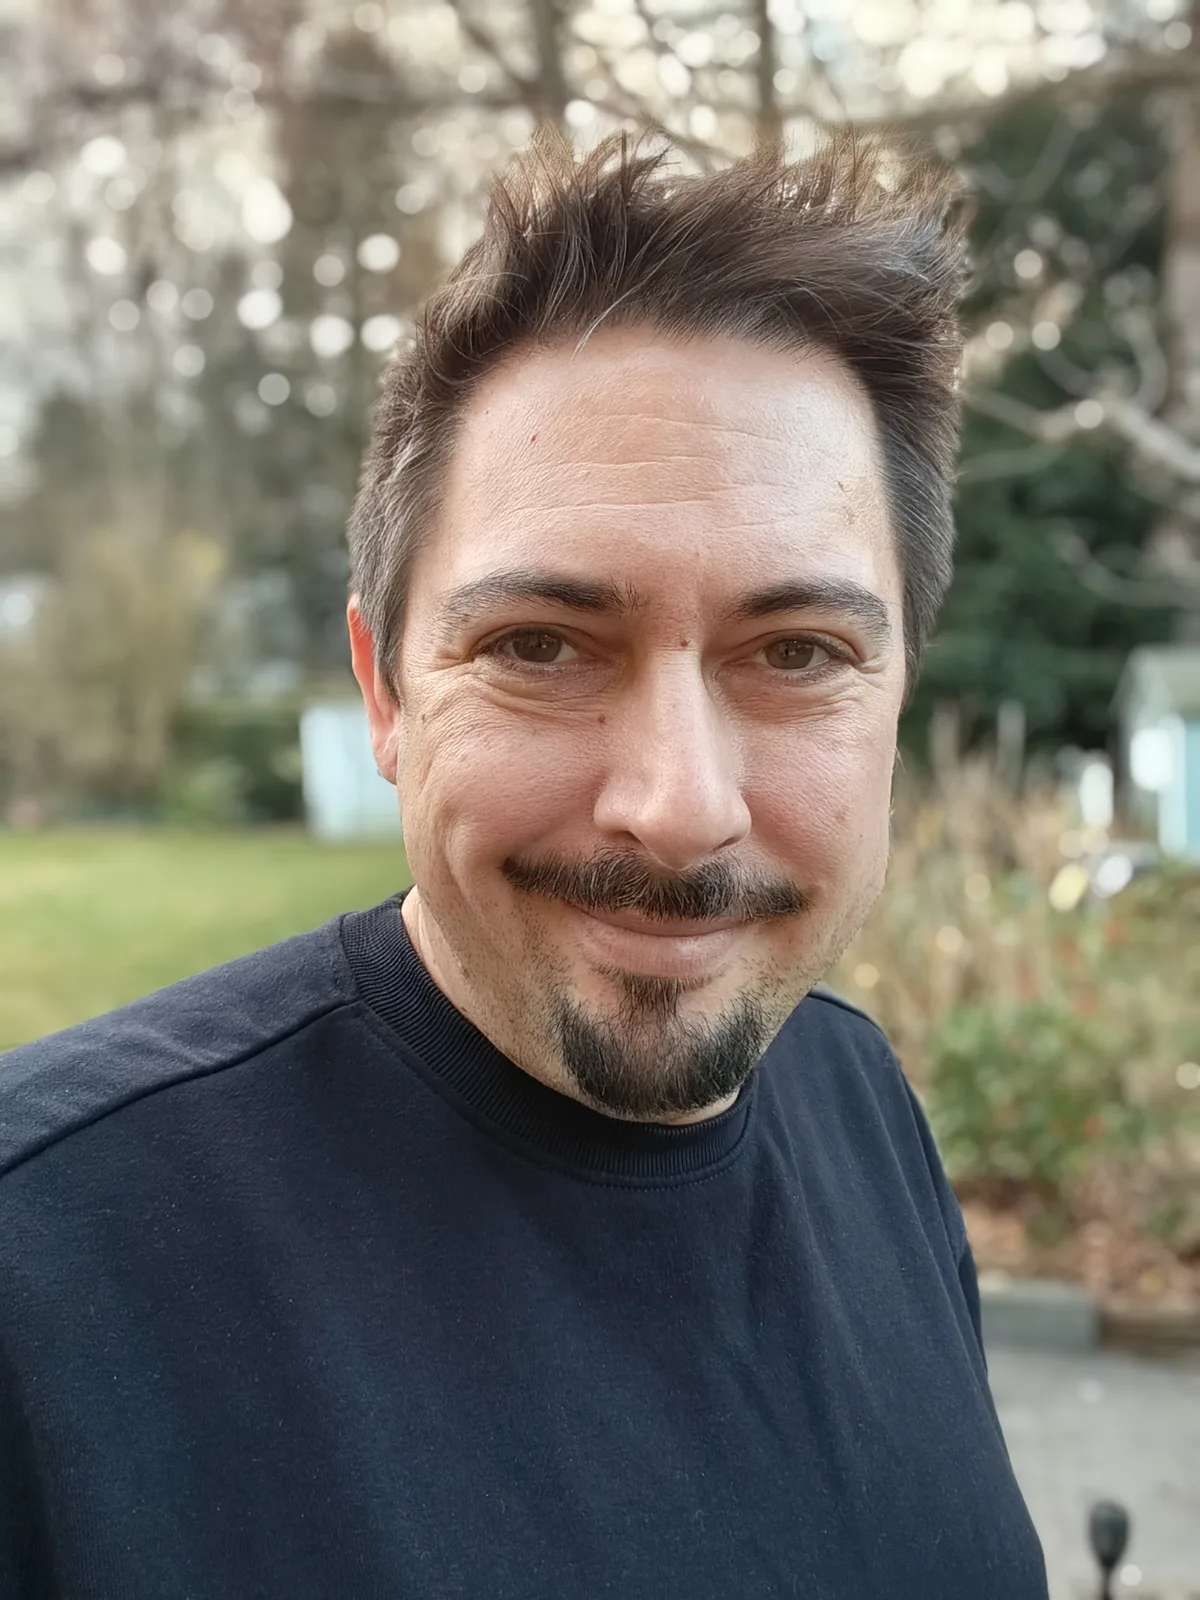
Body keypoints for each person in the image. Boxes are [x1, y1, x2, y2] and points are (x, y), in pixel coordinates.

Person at [0, 130, 1048, 1598]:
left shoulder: (859, 1097)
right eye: (542, 647)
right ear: (384, 690)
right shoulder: (47, 1266)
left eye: (799, 653)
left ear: (899, 697)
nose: (679, 808)